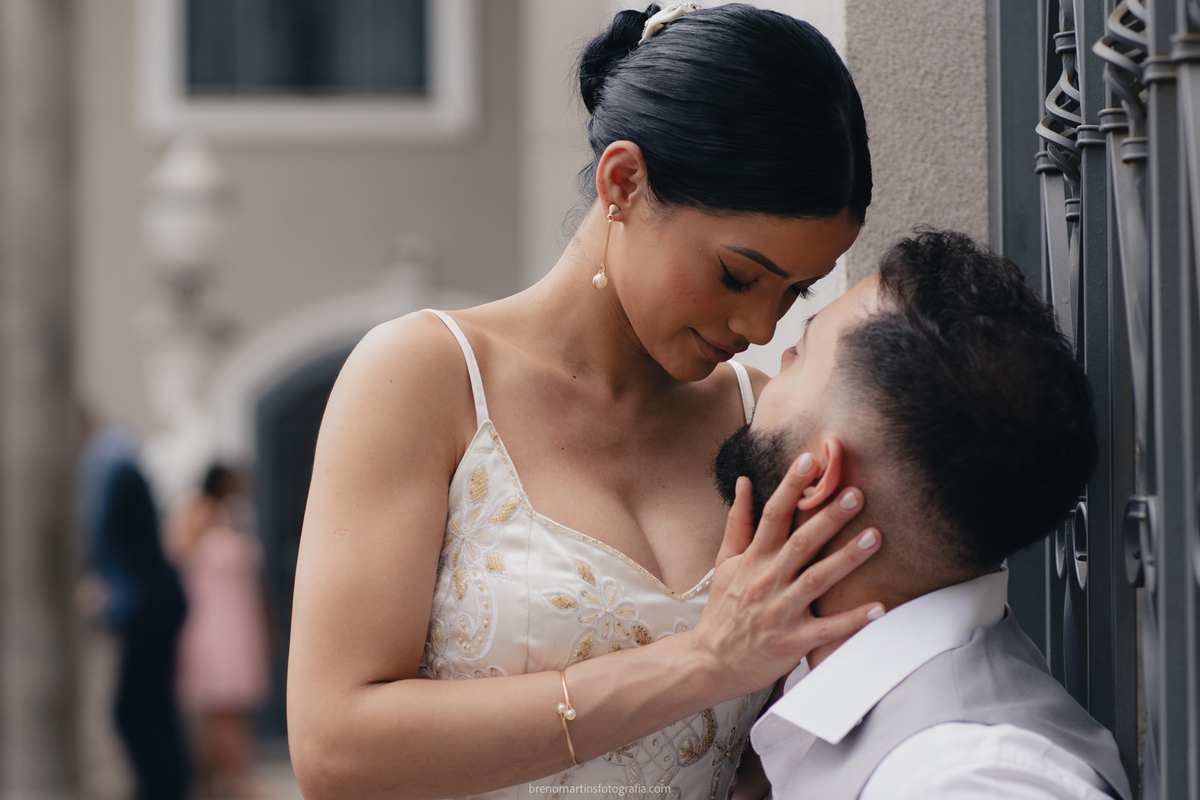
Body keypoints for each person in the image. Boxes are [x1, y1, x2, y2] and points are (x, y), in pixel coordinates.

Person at [288, 5, 882, 800]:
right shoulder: (427, 378)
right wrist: (699, 663)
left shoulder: (765, 423)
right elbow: (336, 752)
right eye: (738, 275)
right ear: (623, 182)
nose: (759, 325)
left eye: (795, 292)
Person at [711, 230, 1131, 800]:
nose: (778, 354)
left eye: (802, 353)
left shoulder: (968, 778)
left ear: (818, 476)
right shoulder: (834, 686)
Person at [77, 422, 191, 800]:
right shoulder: (116, 457)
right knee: (150, 706)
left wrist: (101, 583)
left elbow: (103, 533)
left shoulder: (110, 462)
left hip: (143, 602)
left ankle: (162, 788)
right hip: (152, 598)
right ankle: (167, 785)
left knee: (134, 709)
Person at [168, 464, 270, 800]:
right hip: (212, 624)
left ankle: (214, 782)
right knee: (222, 707)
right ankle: (240, 779)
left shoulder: (233, 517)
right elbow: (176, 555)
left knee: (230, 706)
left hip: (236, 622)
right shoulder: (197, 514)